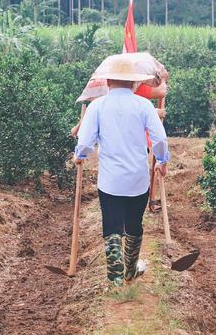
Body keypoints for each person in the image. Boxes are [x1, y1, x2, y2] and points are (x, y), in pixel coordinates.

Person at [73, 63, 170, 288]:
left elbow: (86, 141)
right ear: (135, 82)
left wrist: (80, 155)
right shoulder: (144, 105)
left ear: (107, 81)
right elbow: (159, 139)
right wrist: (162, 162)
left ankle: (115, 278)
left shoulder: (98, 106)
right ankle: (130, 271)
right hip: (138, 179)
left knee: (112, 227)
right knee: (134, 226)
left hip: (110, 181)